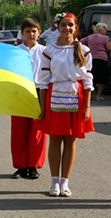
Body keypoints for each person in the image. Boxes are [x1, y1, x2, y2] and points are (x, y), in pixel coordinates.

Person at [38, 12, 94, 197]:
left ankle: (65, 182)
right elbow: (44, 80)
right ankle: (54, 181)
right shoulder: (49, 50)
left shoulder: (84, 51)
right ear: (58, 27)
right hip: (55, 96)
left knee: (70, 140)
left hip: (76, 98)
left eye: (70, 25)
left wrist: (87, 107)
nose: (67, 28)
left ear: (75, 28)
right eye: (63, 25)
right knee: (54, 139)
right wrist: (42, 106)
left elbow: (87, 81)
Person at [11, 18, 46, 179]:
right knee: (19, 131)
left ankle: (33, 165)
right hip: (20, 91)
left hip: (39, 91)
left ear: (39, 32)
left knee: (37, 131)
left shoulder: (46, 51)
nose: (31, 34)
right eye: (27, 31)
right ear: (22, 33)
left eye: (34, 31)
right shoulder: (15, 51)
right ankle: (20, 166)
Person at [80, 22, 111, 101]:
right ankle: (98, 96)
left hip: (91, 59)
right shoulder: (105, 38)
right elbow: (109, 48)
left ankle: (90, 95)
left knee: (92, 77)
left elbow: (81, 42)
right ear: (101, 29)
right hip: (102, 59)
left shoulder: (89, 37)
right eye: (105, 29)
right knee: (102, 79)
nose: (106, 31)